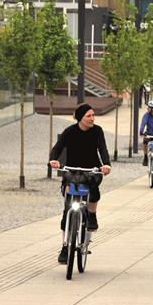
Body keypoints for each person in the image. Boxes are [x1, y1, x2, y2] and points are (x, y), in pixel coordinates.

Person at [49, 103, 112, 263]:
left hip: (92, 170)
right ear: (80, 118)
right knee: (67, 208)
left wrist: (106, 164)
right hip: (72, 171)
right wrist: (53, 160)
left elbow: (103, 149)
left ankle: (91, 215)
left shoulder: (97, 131)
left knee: (94, 192)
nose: (92, 118)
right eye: (88, 116)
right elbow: (57, 148)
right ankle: (64, 246)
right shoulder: (70, 132)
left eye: (93, 115)